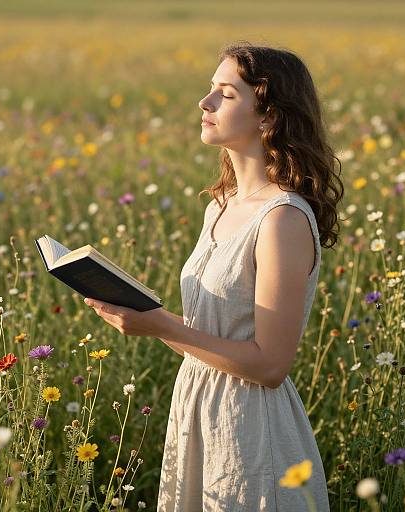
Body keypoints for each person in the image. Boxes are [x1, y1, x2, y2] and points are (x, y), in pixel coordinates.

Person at [84, 41, 343, 511]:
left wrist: (161, 325)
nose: (204, 104)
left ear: (268, 116)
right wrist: (143, 318)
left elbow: (269, 366)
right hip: (198, 411)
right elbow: (210, 335)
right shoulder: (218, 208)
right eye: (210, 90)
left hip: (251, 430)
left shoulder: (282, 218)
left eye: (226, 93)